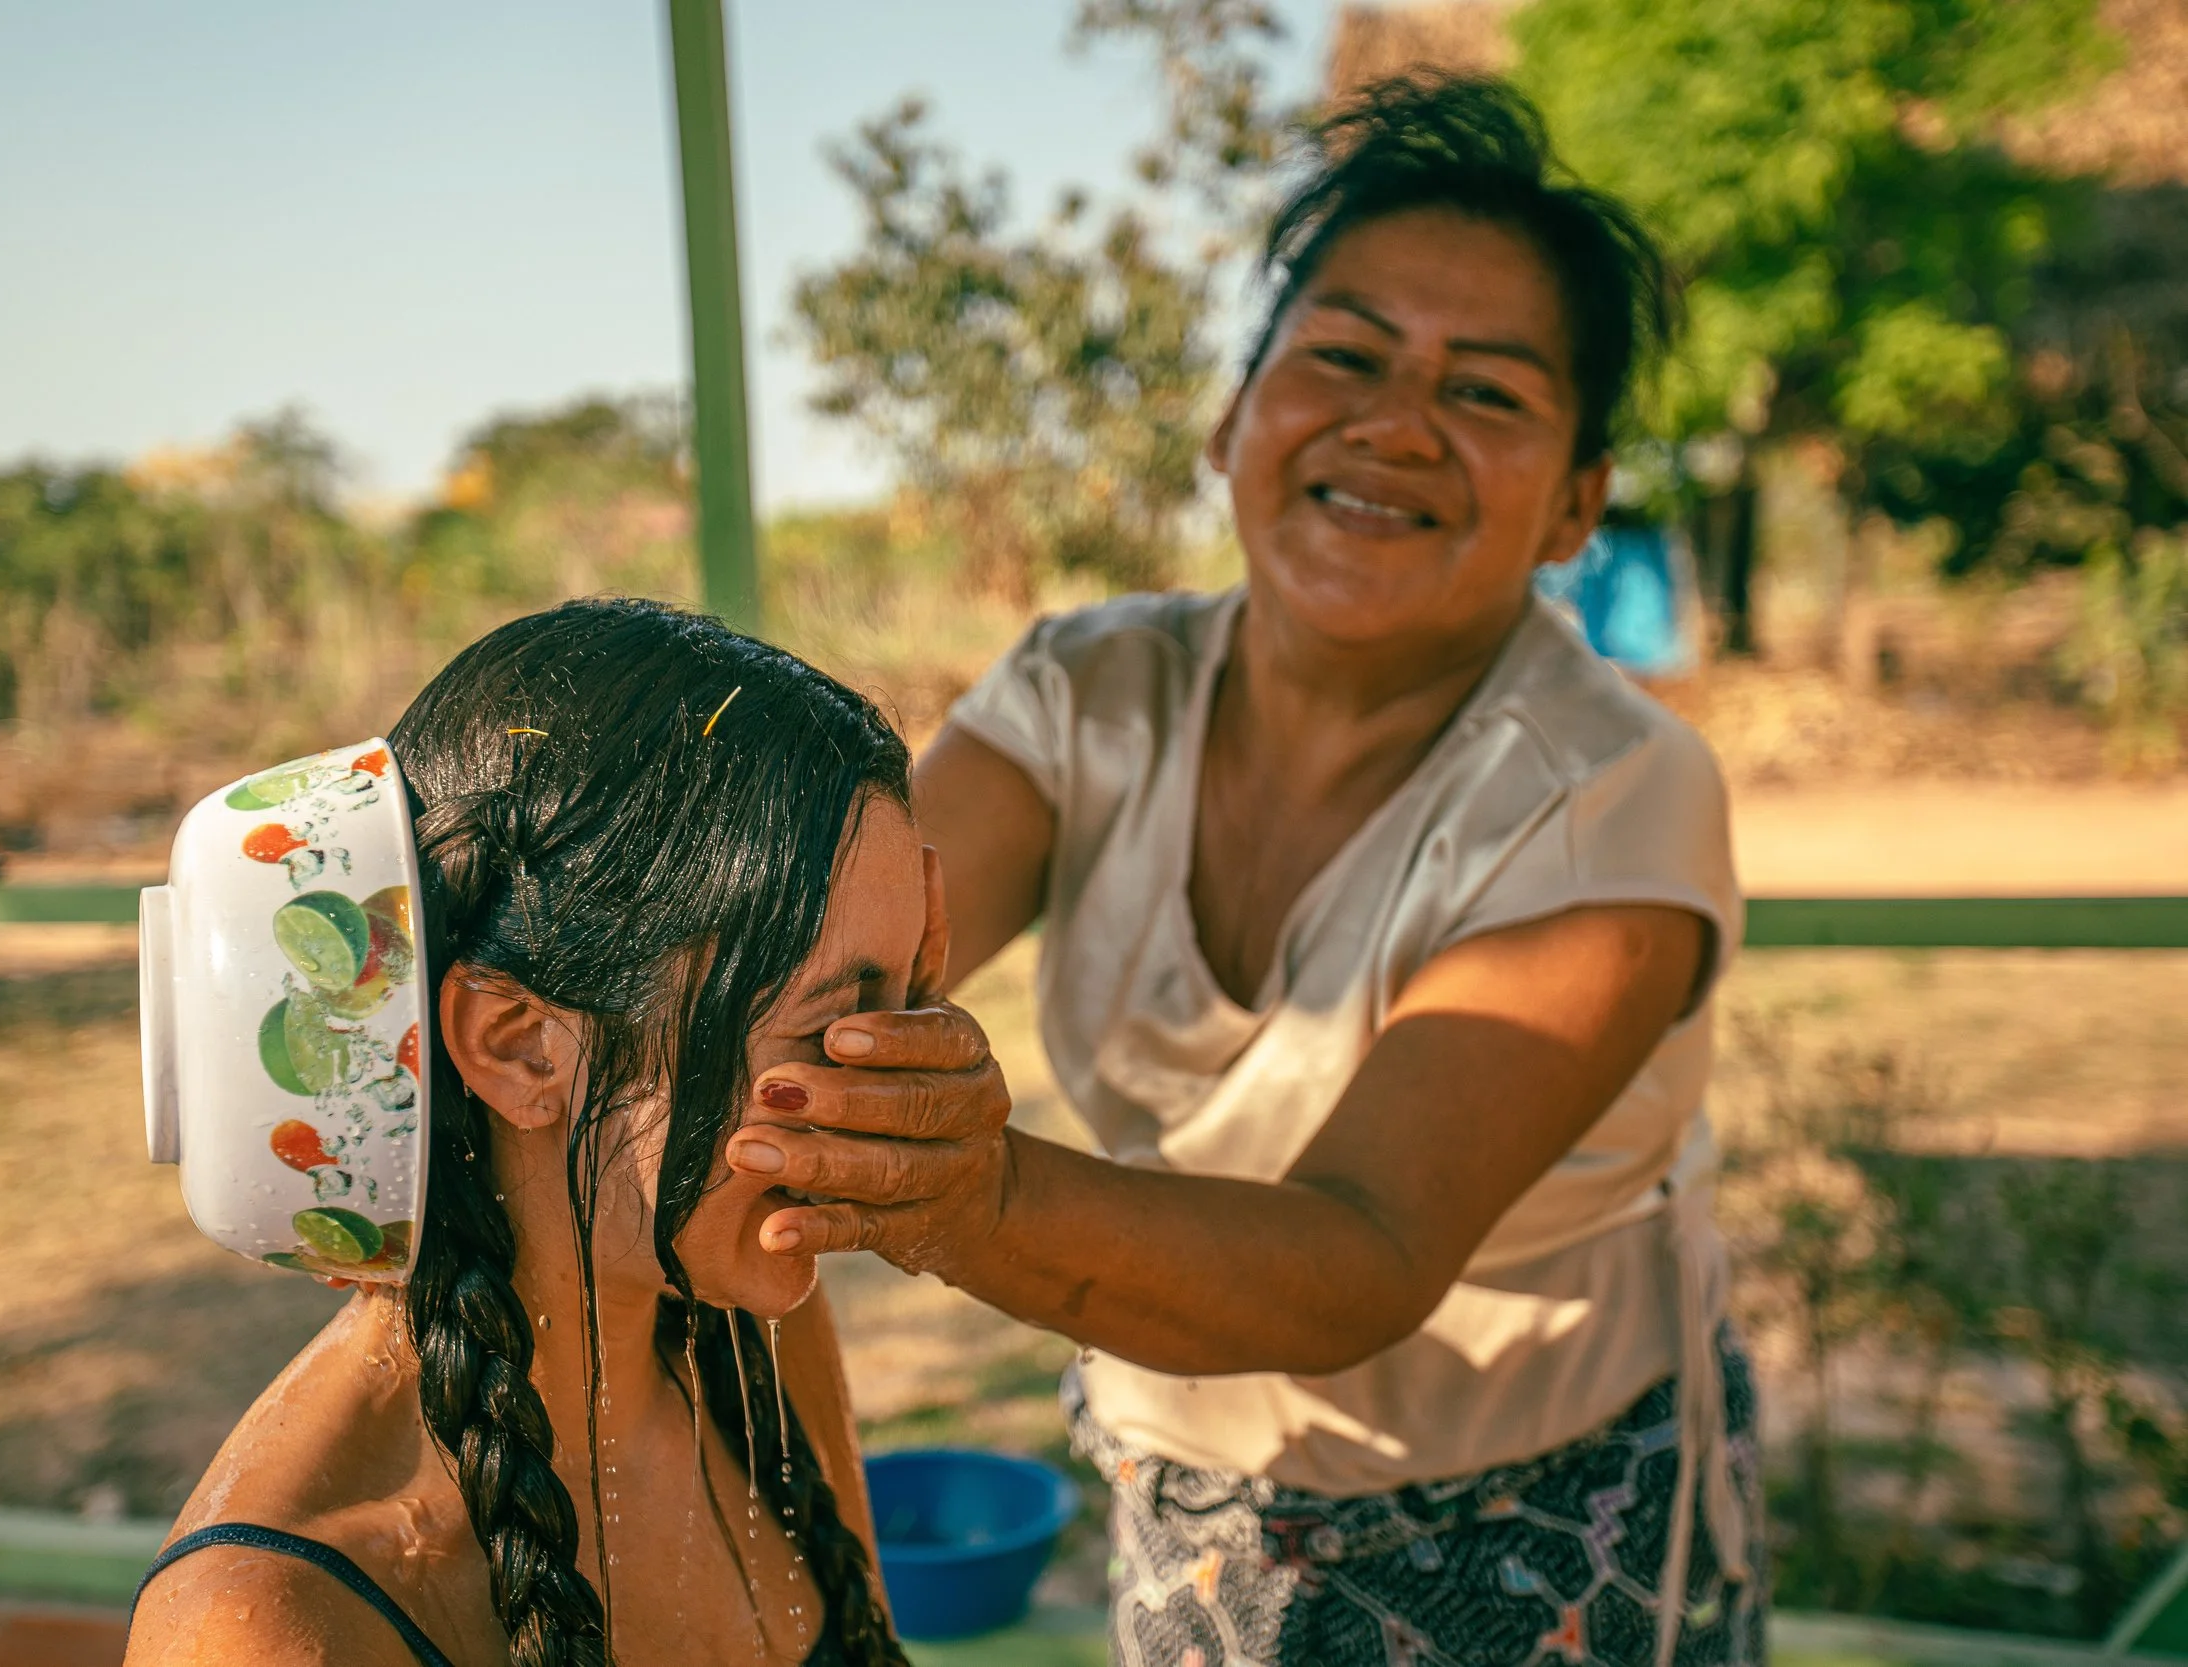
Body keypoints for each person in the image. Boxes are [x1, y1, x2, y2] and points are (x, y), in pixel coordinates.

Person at [722, 76, 1765, 1666]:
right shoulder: (1086, 695)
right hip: (1186, 1474)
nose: (1396, 422)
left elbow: (1358, 1253)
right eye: (1342, 355)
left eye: (1487, 393)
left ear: (1577, 504)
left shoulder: (1616, 788)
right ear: (1233, 419)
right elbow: (813, 958)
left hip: (1543, 1503)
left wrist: (970, 1194)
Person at [127, 600, 923, 1667]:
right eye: (833, 1017)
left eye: (913, 994)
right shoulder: (262, 1629)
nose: (902, 1079)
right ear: (519, 1045)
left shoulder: (755, 1338)